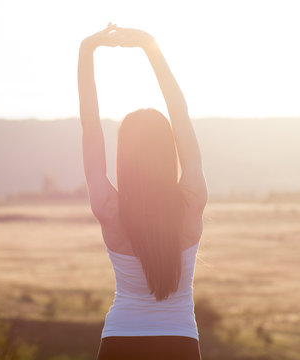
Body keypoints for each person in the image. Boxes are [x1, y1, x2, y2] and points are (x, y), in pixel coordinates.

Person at [77, 23, 208, 360]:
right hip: (179, 342)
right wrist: (152, 49)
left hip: (121, 341)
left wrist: (87, 52)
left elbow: (90, 127)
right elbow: (181, 115)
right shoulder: (191, 198)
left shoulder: (108, 207)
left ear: (125, 156)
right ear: (170, 153)